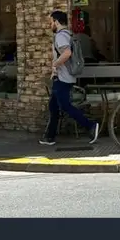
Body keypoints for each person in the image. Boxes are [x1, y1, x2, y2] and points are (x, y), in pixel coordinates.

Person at [40, 10, 99, 146]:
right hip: (63, 77)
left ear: (56, 22)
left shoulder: (61, 36)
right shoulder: (69, 34)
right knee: (53, 107)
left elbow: (67, 53)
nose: (50, 25)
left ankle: (90, 125)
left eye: (51, 22)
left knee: (65, 106)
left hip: (63, 78)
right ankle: (49, 137)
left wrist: (55, 65)